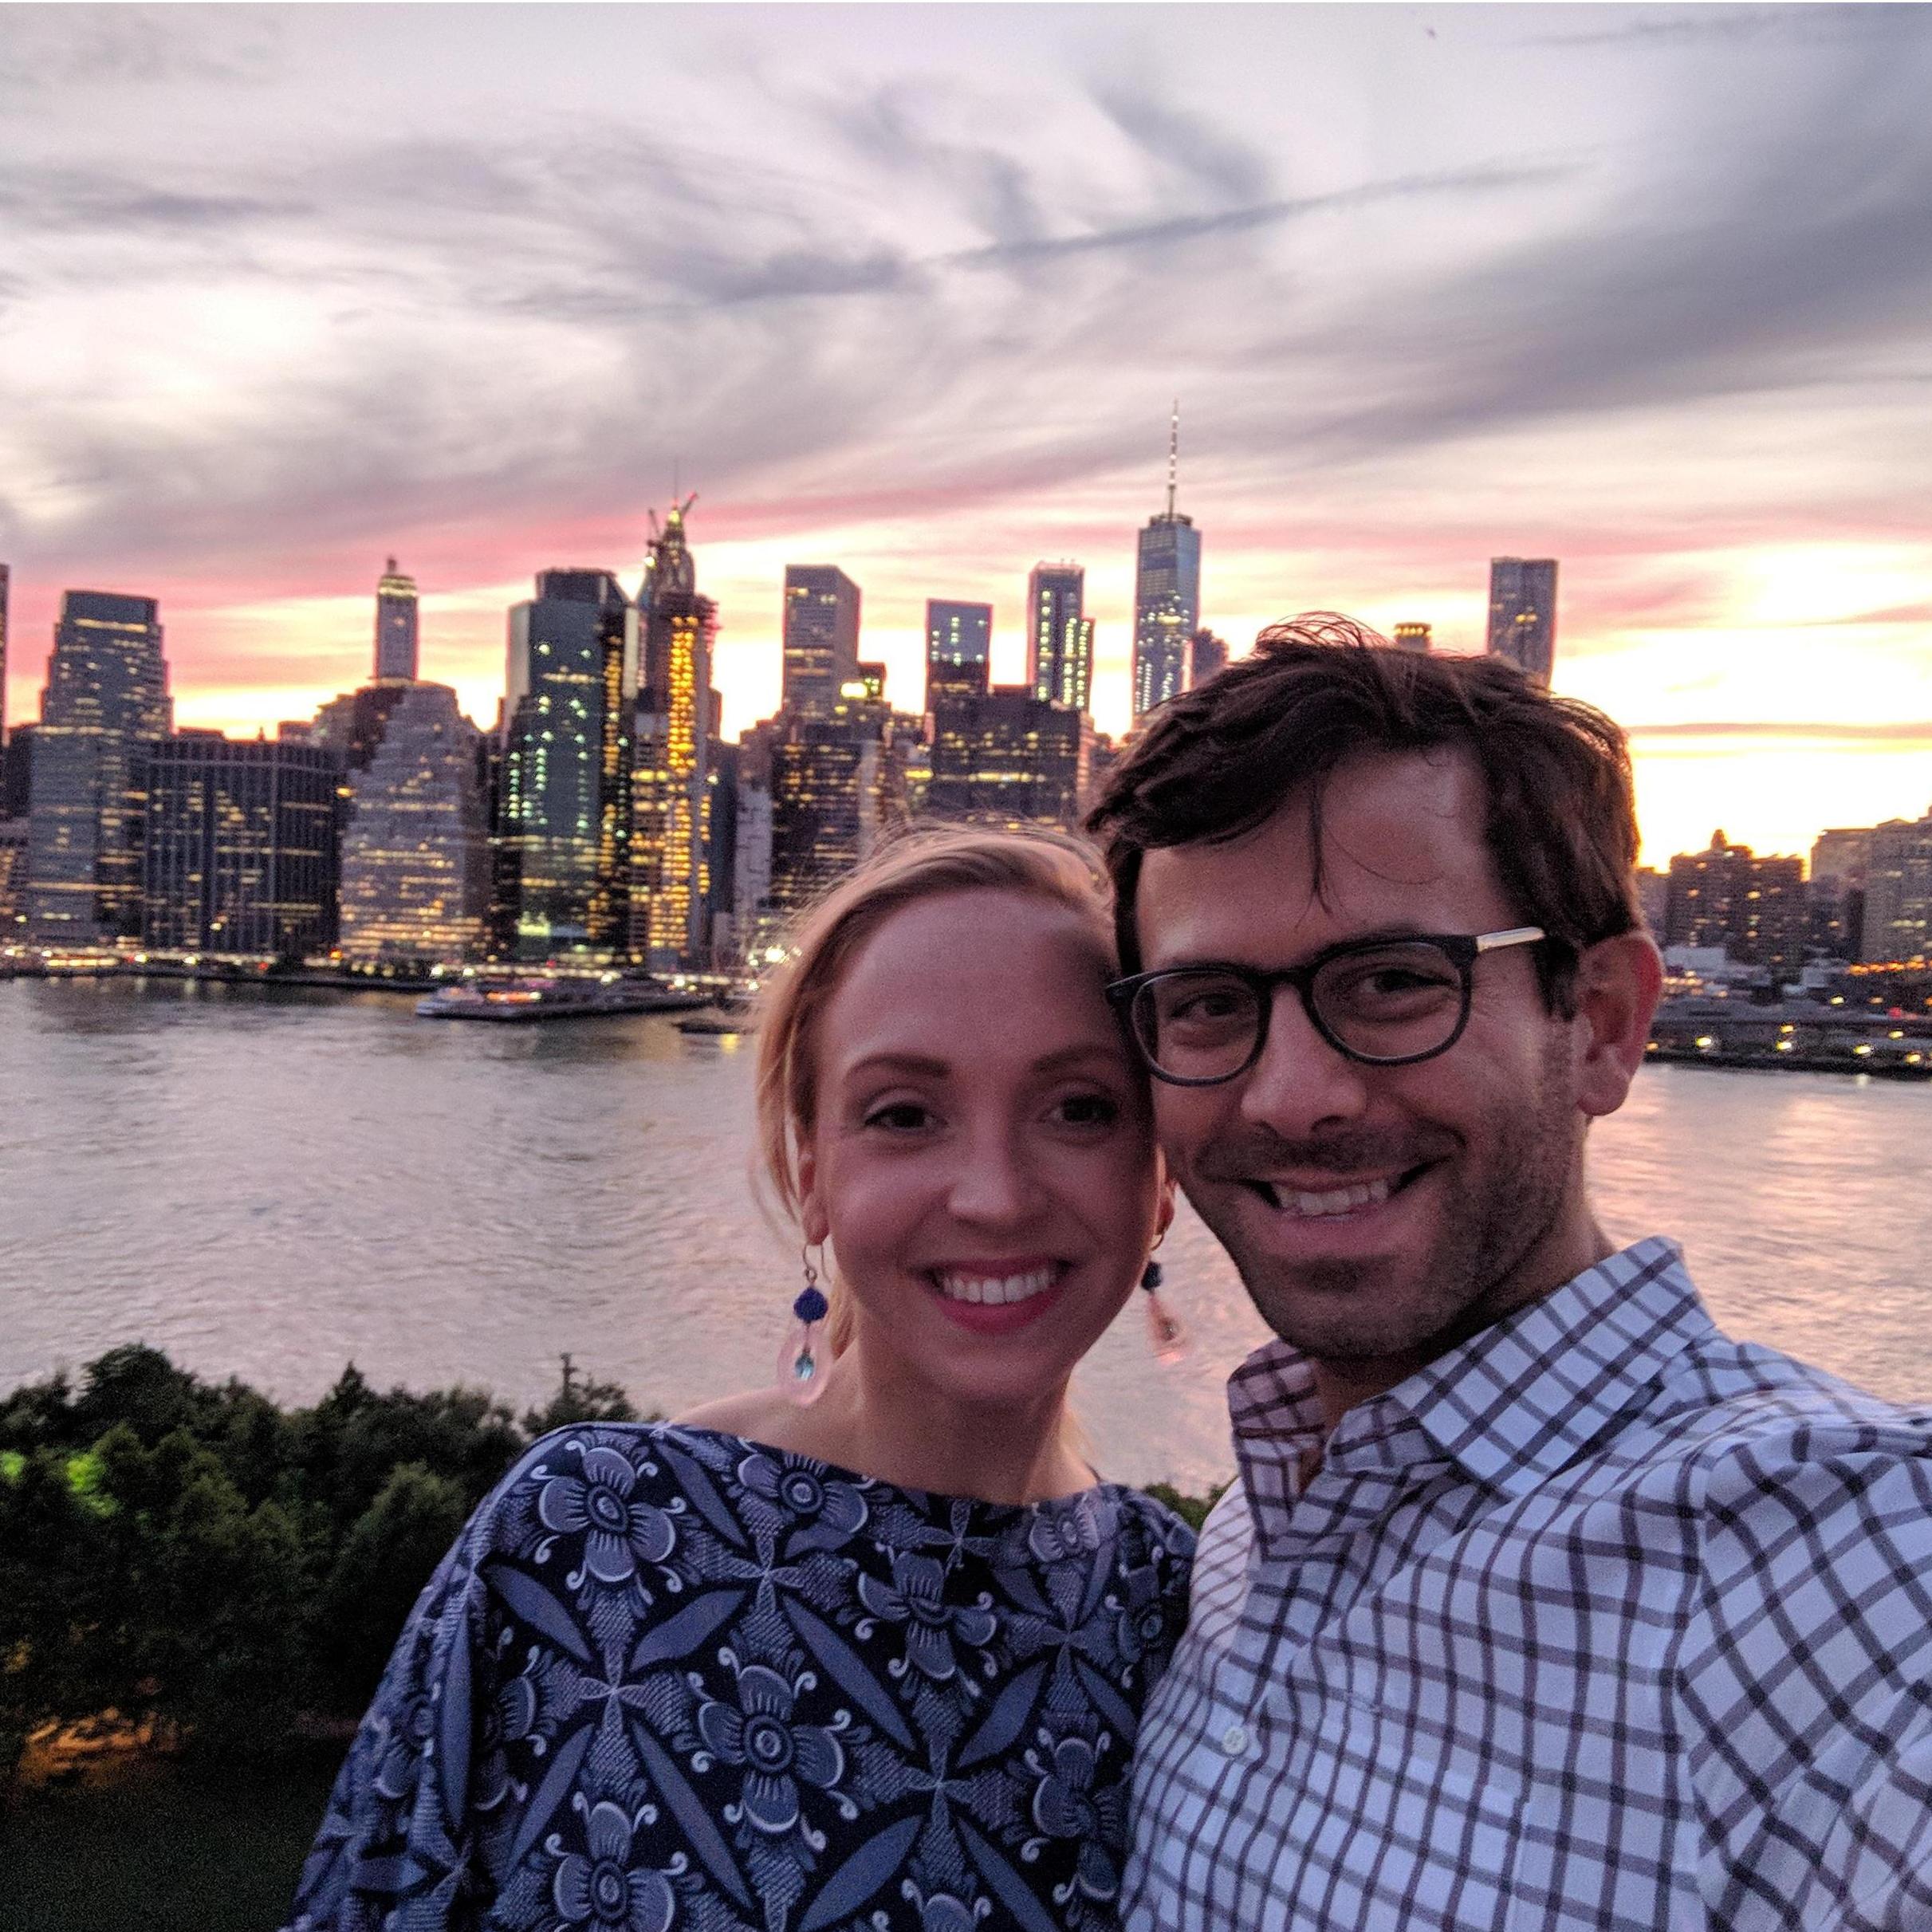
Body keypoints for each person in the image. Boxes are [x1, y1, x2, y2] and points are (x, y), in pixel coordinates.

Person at [1091, 615, 1932, 1931]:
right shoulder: (1256, 1527)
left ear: (1600, 1025)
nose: (1292, 1095)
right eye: (1207, 1004)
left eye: (1390, 981)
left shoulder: (1842, 1558)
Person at [285, 827, 1195, 1932]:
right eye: (905, 1114)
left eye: (1082, 1108)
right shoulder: (589, 1538)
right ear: (811, 1174)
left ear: (1161, 1182)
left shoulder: (1187, 1619)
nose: (994, 1196)